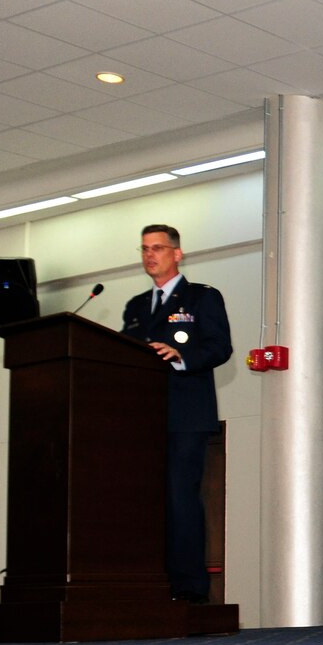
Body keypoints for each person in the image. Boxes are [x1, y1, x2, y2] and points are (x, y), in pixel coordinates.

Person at [120, 224, 232, 604]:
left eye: (158, 248)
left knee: (180, 497)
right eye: (144, 249)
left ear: (177, 254)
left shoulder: (202, 297)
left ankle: (188, 587)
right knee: (145, 502)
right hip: (143, 418)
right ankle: (150, 583)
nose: (149, 255)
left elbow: (220, 347)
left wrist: (182, 356)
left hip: (186, 415)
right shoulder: (137, 305)